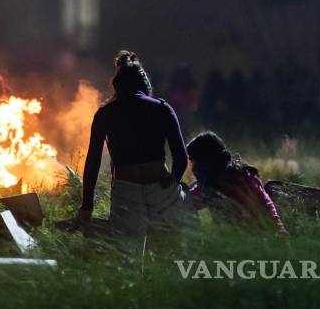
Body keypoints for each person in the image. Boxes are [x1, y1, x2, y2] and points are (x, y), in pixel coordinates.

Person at [79, 50, 191, 244]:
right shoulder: (162, 108)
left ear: (117, 86)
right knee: (166, 257)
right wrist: (172, 181)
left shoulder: (105, 114)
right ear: (145, 85)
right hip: (160, 188)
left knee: (128, 261)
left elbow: (93, 163)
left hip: (125, 192)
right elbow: (181, 157)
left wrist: (87, 205)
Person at [186, 131, 287, 235]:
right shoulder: (209, 185)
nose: (193, 168)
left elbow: (266, 206)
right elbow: (188, 202)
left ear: (205, 162)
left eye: (194, 162)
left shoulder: (243, 179)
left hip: (259, 239)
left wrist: (279, 229)